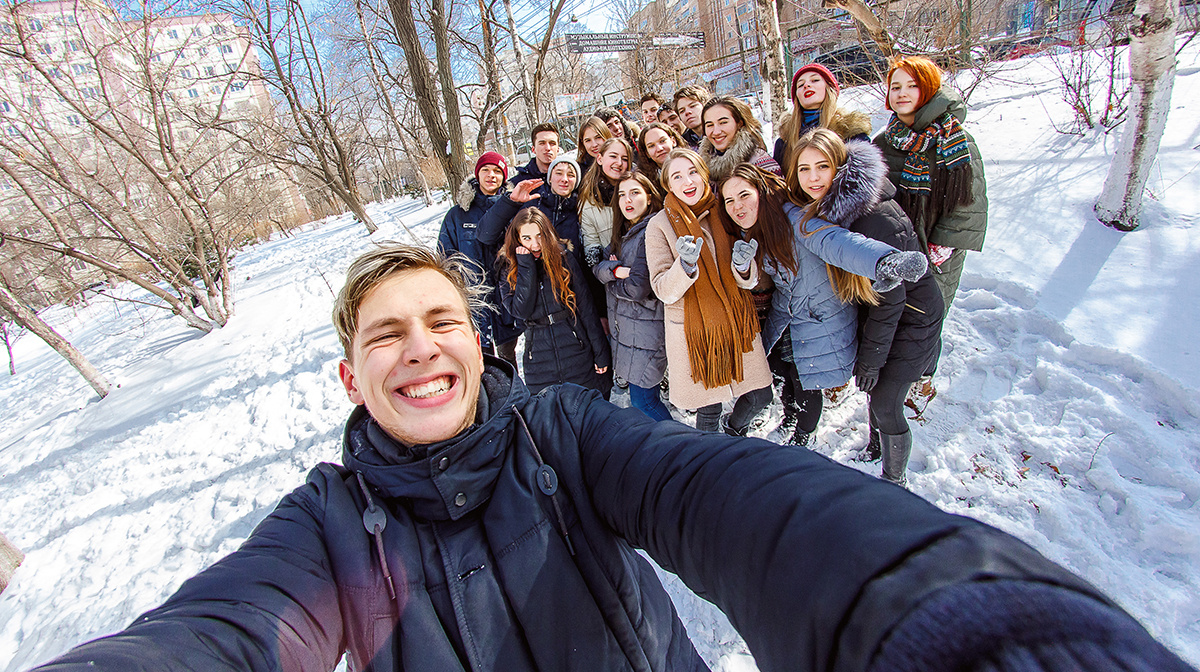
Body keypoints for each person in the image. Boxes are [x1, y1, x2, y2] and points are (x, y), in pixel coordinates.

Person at [31, 242, 1195, 672]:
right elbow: (224, 630)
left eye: (439, 321)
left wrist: (934, 605)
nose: (419, 348)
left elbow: (729, 496)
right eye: (385, 334)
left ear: (479, 345)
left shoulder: (564, 433)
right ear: (352, 377)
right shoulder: (329, 524)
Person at [720, 162, 917, 447]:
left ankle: (804, 436)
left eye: (744, 195)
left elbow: (837, 243)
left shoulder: (796, 219)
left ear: (761, 192)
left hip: (819, 318)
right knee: (782, 370)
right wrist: (742, 265)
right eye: (729, 200)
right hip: (787, 314)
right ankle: (789, 418)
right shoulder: (753, 229)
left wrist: (883, 261)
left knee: (806, 383)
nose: (737, 206)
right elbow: (757, 279)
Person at [790, 129, 945, 484]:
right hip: (884, 312)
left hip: (912, 317)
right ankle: (876, 447)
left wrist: (872, 360)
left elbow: (893, 299)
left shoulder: (871, 216)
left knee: (886, 403)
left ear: (841, 167)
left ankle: (894, 481)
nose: (813, 177)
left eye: (822, 167)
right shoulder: (831, 207)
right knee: (876, 392)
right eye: (804, 169)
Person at [875, 56, 988, 413]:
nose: (903, 93)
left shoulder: (955, 140)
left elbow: (969, 199)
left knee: (926, 316)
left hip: (937, 250)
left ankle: (922, 379)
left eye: (912, 85)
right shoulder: (885, 140)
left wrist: (944, 244)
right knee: (894, 312)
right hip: (894, 246)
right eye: (896, 86)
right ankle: (895, 376)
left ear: (929, 89)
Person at [644, 148, 774, 434]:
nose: (687, 181)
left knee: (761, 394)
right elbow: (663, 289)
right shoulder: (659, 226)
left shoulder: (723, 209)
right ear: (668, 185)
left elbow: (748, 279)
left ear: (703, 175)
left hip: (736, 323)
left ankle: (735, 429)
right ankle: (710, 461)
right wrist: (685, 266)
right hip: (696, 332)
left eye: (692, 172)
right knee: (709, 408)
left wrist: (743, 266)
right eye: (677, 176)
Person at [499, 207, 610, 394]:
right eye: (527, 238)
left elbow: (586, 306)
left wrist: (601, 353)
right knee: (550, 417)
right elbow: (520, 311)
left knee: (587, 413)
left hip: (576, 351)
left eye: (539, 236)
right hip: (539, 361)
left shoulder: (564, 259)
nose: (535, 245)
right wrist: (526, 267)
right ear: (517, 239)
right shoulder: (508, 268)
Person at [592, 171, 670, 422]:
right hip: (632, 330)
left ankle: (682, 448)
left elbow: (637, 288)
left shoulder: (651, 232)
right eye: (622, 194)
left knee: (644, 400)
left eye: (635, 193)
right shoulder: (625, 232)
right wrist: (616, 270)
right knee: (642, 399)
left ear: (649, 196)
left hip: (648, 331)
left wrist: (611, 281)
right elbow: (599, 268)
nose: (627, 200)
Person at [436, 151, 520, 363]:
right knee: (481, 360)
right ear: (477, 174)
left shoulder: (512, 208)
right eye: (486, 170)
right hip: (474, 301)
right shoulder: (457, 214)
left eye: (497, 171)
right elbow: (444, 258)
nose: (491, 175)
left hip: (506, 298)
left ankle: (512, 395)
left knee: (508, 356)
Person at [477, 154, 584, 268]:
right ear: (550, 178)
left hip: (570, 280)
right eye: (558, 173)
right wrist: (510, 202)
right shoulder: (530, 203)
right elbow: (485, 235)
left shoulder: (580, 209)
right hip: (529, 280)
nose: (564, 179)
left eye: (571, 175)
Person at [773, 62, 873, 172]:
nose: (806, 85)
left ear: (829, 88)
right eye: (800, 85)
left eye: (815, 80)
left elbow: (865, 179)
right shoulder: (784, 141)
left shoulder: (851, 132)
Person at [578, 137, 633, 267]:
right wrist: (612, 268)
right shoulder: (588, 202)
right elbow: (592, 251)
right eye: (613, 156)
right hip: (615, 273)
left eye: (624, 159)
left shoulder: (639, 190)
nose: (619, 163)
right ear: (600, 159)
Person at [699, 94, 781, 180]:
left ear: (739, 124)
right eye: (709, 125)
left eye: (723, 122)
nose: (716, 132)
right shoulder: (702, 166)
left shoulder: (760, 163)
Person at [672, 83, 710, 147]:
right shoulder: (682, 145)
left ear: (705, 105)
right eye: (682, 111)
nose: (687, 112)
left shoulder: (721, 132)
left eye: (692, 106)